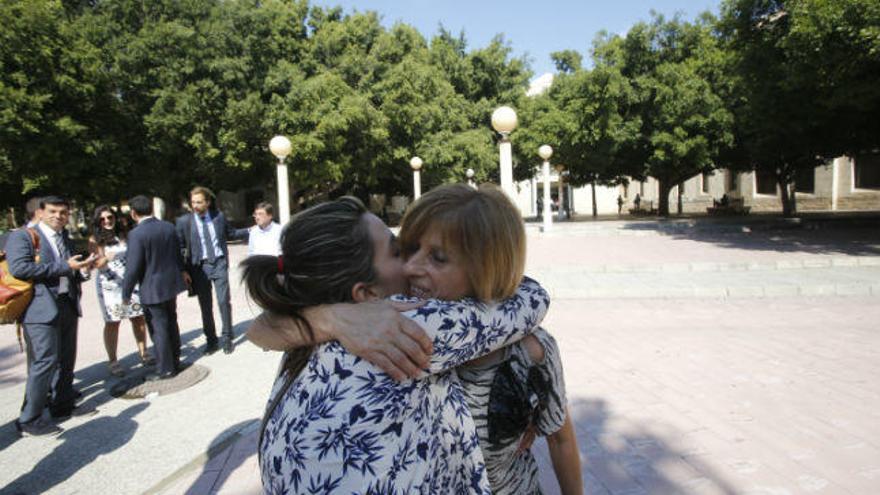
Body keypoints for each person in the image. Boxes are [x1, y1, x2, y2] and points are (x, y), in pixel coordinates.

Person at [251, 185, 583, 494]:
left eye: (436, 257)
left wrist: (325, 317)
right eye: (401, 251)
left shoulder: (304, 337)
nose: (411, 266)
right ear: (364, 294)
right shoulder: (402, 326)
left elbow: (258, 329)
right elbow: (524, 301)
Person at [7, 195, 97, 436]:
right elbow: (20, 268)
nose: (59, 216)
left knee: (66, 358)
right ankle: (29, 419)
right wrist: (65, 266)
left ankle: (62, 404)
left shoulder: (64, 236)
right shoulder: (24, 236)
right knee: (44, 362)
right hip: (39, 309)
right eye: (53, 212)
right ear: (41, 212)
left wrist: (83, 270)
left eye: (63, 213)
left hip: (66, 304)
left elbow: (70, 268)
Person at [123, 195, 189, 381]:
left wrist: (126, 293)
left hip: (151, 287)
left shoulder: (136, 234)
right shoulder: (168, 226)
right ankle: (175, 360)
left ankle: (165, 369)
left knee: (158, 328)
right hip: (170, 283)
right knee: (171, 322)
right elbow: (178, 254)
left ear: (133, 213)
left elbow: (133, 267)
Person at [176, 186, 245, 355]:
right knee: (205, 306)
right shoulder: (184, 222)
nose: (196, 206)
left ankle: (227, 337)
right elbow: (180, 247)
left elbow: (231, 233)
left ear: (207, 202)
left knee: (223, 301)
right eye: (193, 202)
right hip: (199, 267)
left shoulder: (219, 217)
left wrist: (253, 231)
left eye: (199, 202)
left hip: (219, 262)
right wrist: (183, 270)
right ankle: (211, 340)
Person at [88, 205, 153, 377]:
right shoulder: (95, 239)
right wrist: (105, 259)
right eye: (103, 219)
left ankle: (144, 352)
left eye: (110, 217)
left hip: (129, 282)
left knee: (138, 318)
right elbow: (96, 264)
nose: (107, 221)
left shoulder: (124, 235)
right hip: (110, 286)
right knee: (113, 322)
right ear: (97, 221)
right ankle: (113, 360)